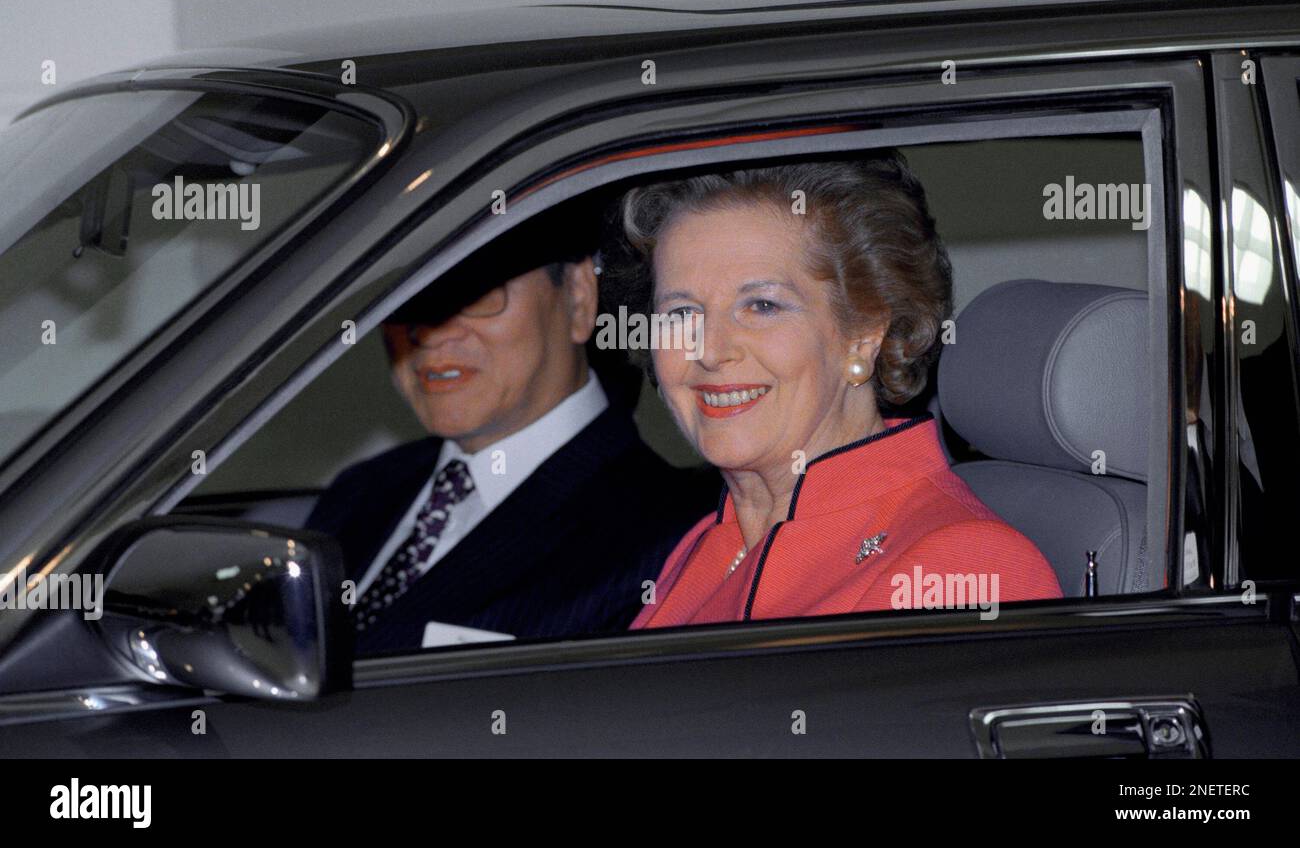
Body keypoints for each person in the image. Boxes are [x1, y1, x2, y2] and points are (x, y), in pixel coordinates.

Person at [606, 153, 1063, 629]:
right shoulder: (713, 540)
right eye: (681, 313)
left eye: (762, 305)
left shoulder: (960, 566)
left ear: (863, 331)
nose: (710, 351)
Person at [306, 222, 717, 653]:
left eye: (478, 293)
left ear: (578, 296)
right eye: (406, 298)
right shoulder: (363, 488)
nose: (431, 332)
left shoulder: (664, 538)